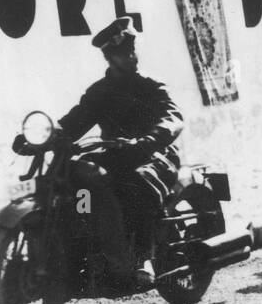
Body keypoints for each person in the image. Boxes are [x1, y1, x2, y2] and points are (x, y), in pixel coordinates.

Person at [17, 17, 184, 289]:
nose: (131, 57)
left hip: (155, 155)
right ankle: (91, 249)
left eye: (132, 50)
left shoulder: (150, 87)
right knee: (81, 184)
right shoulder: (100, 92)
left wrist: (147, 140)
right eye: (122, 53)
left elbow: (173, 118)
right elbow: (74, 122)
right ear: (109, 57)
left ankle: (143, 258)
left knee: (136, 183)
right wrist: (39, 138)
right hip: (116, 156)